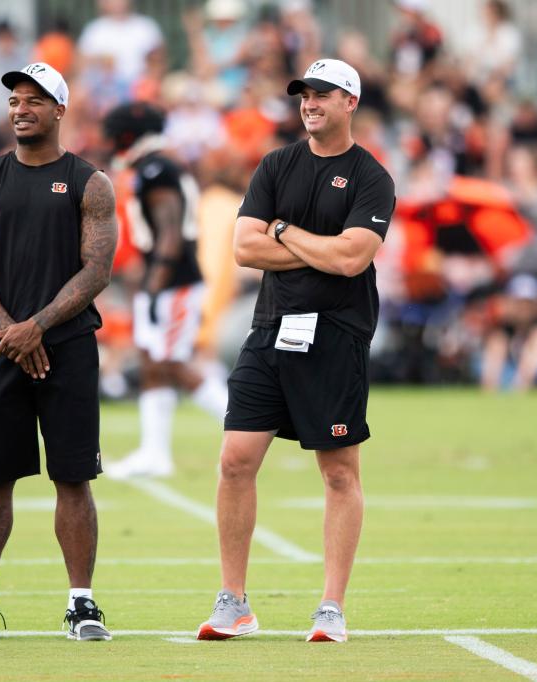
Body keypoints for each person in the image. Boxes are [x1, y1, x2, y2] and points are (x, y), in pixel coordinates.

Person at [196, 59, 395, 643]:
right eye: (305, 94)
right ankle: (234, 602)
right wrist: (313, 247)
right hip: (270, 328)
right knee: (235, 459)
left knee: (338, 472)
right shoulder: (276, 163)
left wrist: (283, 231)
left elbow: (352, 259)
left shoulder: (370, 176)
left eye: (323, 94)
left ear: (350, 102)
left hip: (336, 332)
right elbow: (243, 249)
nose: (310, 103)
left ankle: (331, 607)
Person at [0, 62, 118, 642]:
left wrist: (38, 326)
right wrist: (9, 332)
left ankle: (82, 604)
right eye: (15, 100)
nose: (21, 109)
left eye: (35, 100)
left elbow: (96, 270)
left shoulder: (88, 181)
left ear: (60, 110)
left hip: (66, 347)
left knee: (73, 478)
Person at [100, 102, 228, 479]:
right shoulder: (153, 165)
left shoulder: (157, 168)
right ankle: (154, 454)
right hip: (164, 281)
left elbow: (170, 233)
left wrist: (155, 286)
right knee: (153, 363)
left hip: (173, 282)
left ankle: (248, 425)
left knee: (171, 363)